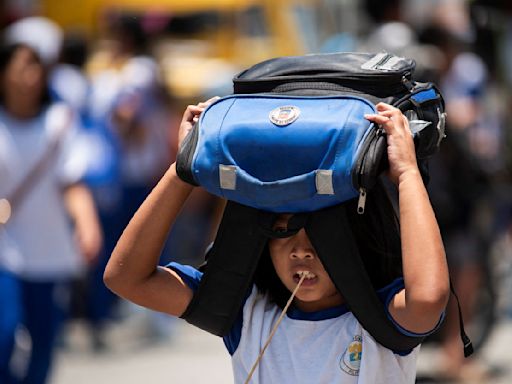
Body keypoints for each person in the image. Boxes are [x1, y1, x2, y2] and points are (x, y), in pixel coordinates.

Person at [104, 99, 450, 383]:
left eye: (320, 236)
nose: (301, 251)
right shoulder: (247, 314)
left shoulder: (381, 322)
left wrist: (406, 174)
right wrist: (183, 170)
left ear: (355, 240)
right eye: (283, 232)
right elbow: (126, 278)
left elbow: (430, 298)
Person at [0, 42, 102, 384]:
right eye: (22, 67)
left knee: (43, 339)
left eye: (36, 68)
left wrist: (87, 224)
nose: (31, 77)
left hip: (47, 248)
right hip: (4, 249)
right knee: (5, 331)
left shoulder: (59, 122)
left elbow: (72, 181)